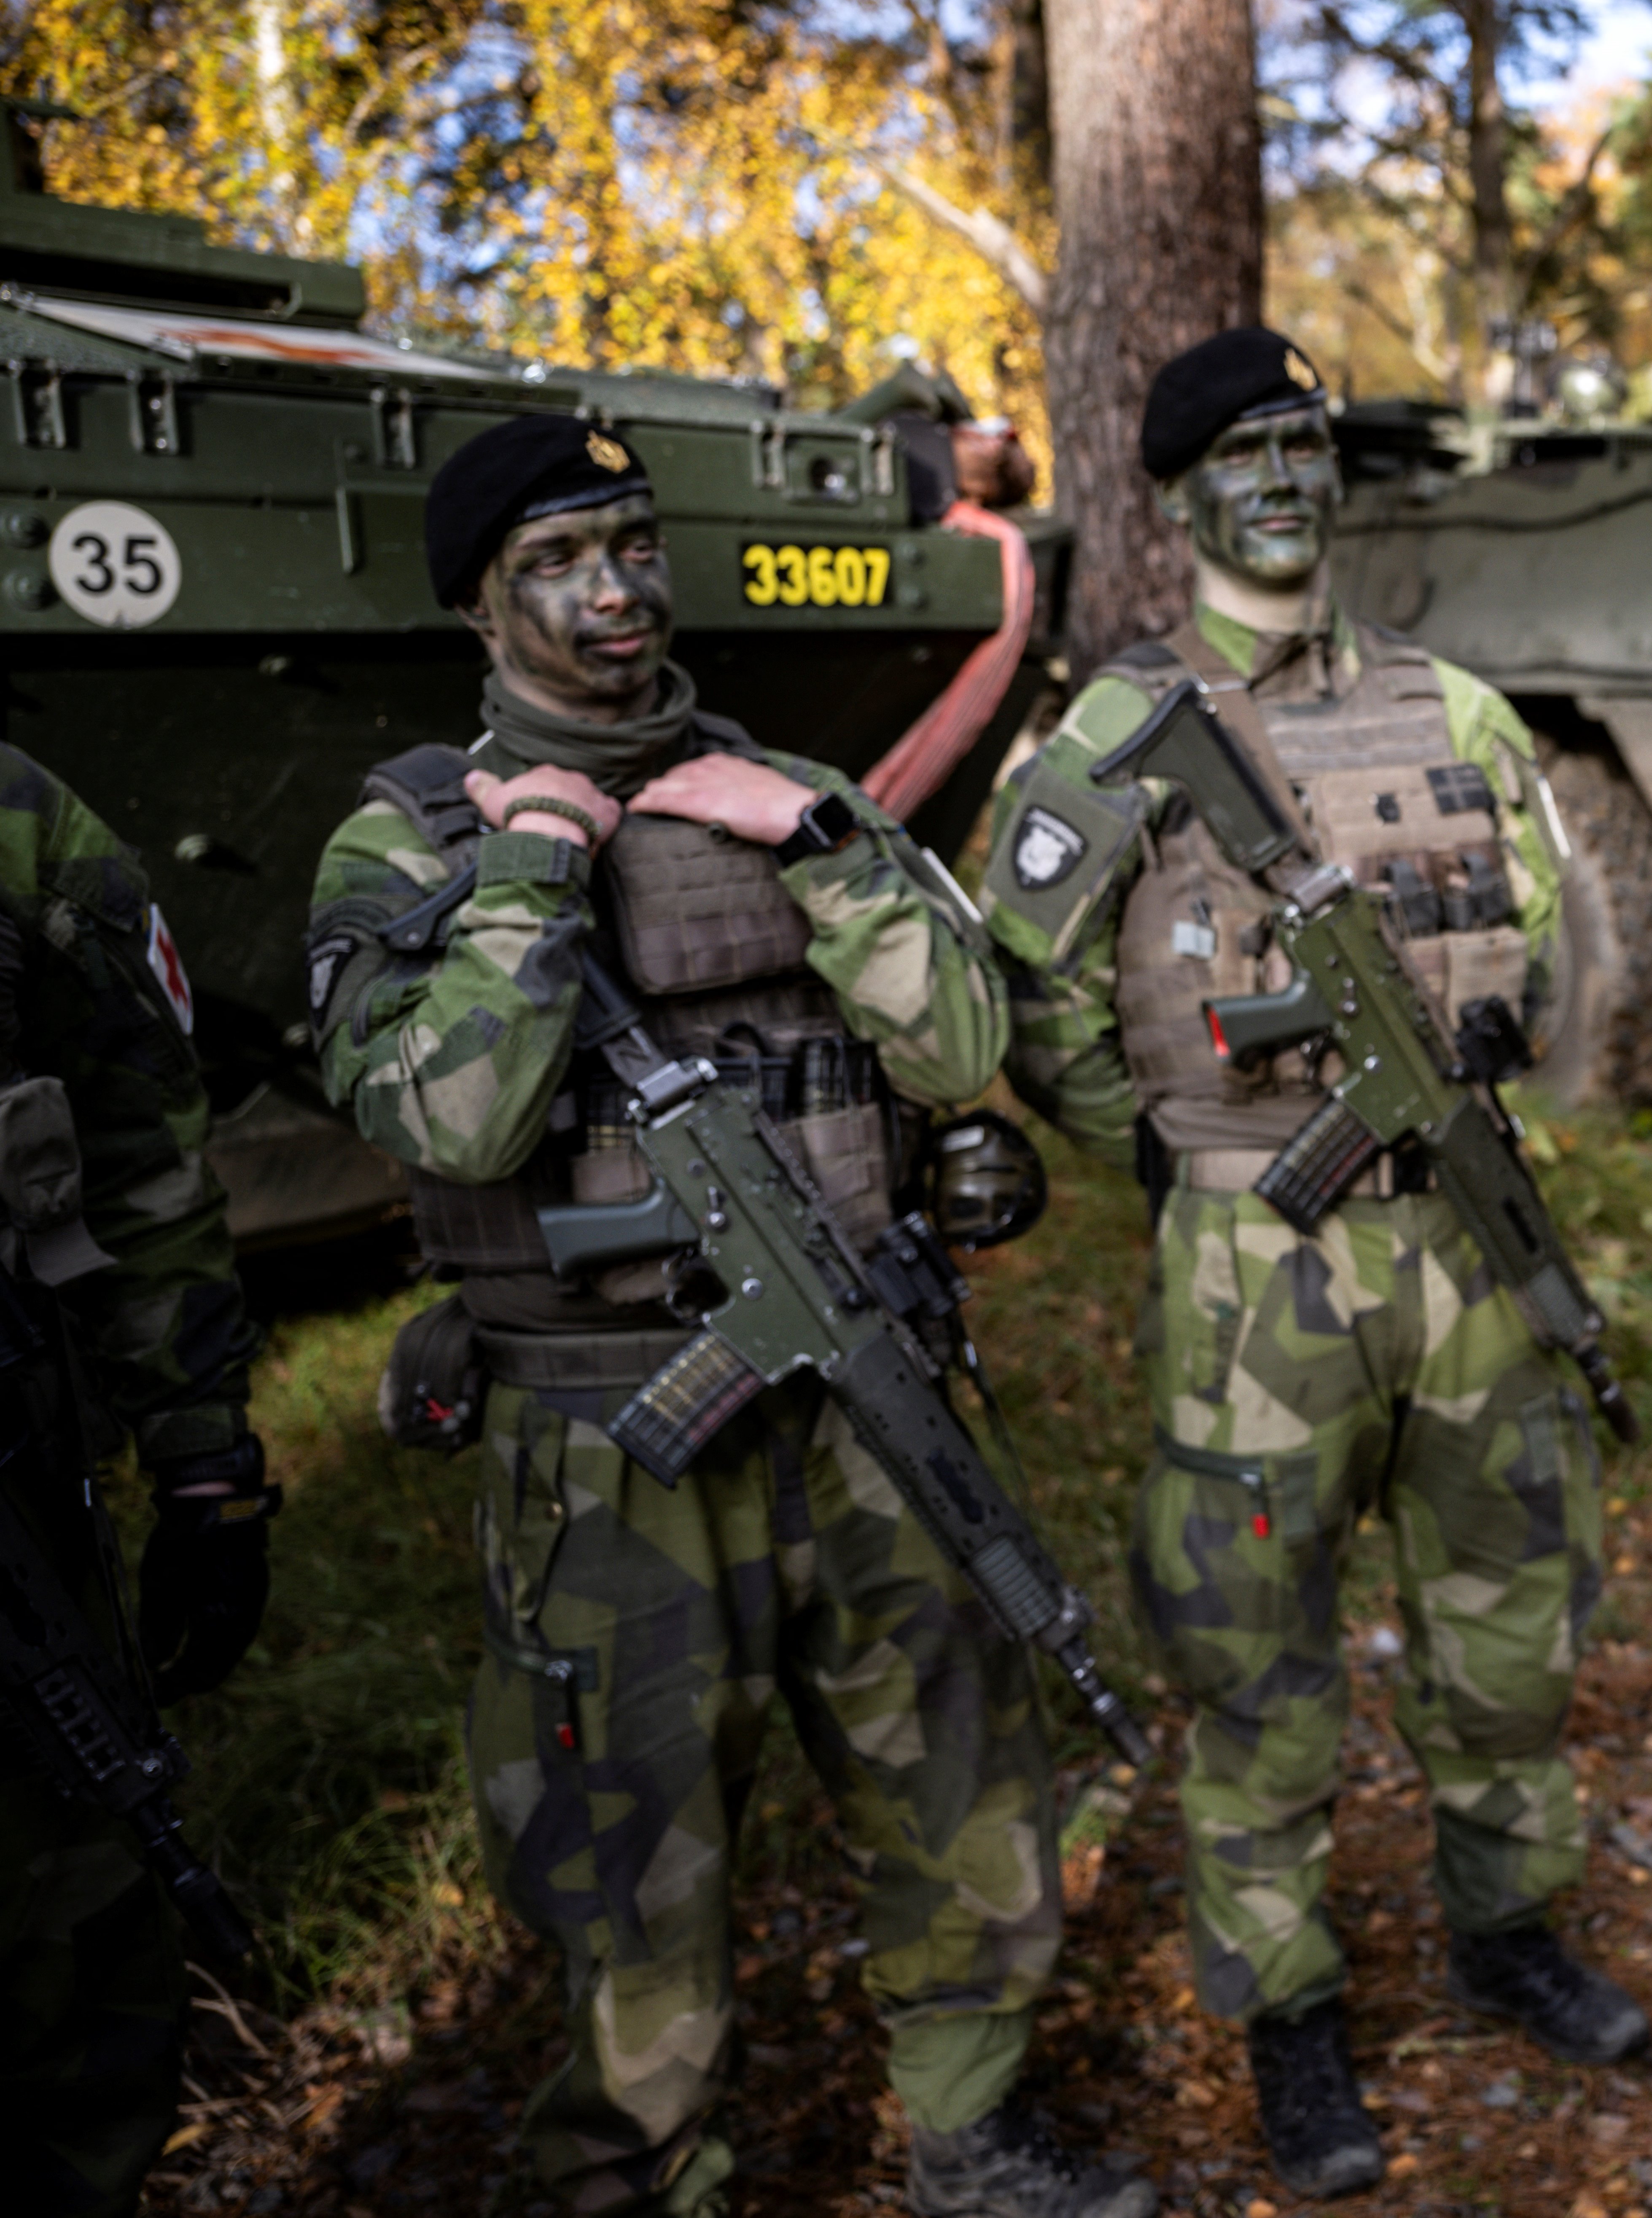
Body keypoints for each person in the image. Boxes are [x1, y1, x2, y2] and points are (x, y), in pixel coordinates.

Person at [301, 415, 1146, 2218]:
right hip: (614, 1436)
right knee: (632, 1868)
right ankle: (643, 2180)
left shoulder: (786, 789)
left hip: (861, 1389)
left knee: (965, 1786)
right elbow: (452, 1118)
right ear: (478, 606)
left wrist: (822, 849)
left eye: (627, 543)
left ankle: (971, 2134)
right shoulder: (409, 845)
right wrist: (533, 875)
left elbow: (965, 1048)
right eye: (554, 561)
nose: (611, 590)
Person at [982, 328, 1646, 2198]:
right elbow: (1030, 989)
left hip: (1465, 1235)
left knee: (1509, 1621)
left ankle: (1507, 1925)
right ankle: (1288, 2012)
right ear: (1176, 496)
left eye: (1302, 444)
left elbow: (1530, 915)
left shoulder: (1457, 706)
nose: (1279, 478)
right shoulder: (1112, 735)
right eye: (1238, 456)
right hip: (1254, 1266)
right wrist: (1175, 1144)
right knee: (1254, 1664)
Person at [0, 744, 272, 2217]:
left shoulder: (22, 823)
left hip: (19, 1513)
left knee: (77, 1971)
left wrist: (207, 1468)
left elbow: (144, 1158)